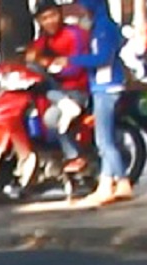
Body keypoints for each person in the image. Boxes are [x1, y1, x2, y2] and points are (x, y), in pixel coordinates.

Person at [68, 0, 133, 203]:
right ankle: (108, 184)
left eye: (81, 7)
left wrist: (72, 60)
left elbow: (103, 58)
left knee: (104, 141)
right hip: (103, 86)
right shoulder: (101, 25)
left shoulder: (103, 27)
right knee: (106, 139)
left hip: (106, 87)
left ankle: (121, 181)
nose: (79, 11)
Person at [26, 0, 90, 166]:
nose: (50, 21)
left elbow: (76, 69)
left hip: (77, 89)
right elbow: (32, 57)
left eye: (52, 15)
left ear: (60, 14)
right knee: (49, 117)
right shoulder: (44, 40)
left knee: (53, 116)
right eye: (44, 18)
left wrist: (48, 64)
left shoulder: (75, 34)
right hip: (59, 93)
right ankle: (62, 103)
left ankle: (75, 156)